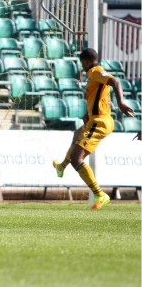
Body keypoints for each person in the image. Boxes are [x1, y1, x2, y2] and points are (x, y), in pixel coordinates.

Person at [52, 48, 134, 210]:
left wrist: (121, 102)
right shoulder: (93, 76)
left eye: (82, 63)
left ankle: (99, 194)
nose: (82, 67)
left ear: (86, 61)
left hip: (100, 121)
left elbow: (115, 81)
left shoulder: (96, 71)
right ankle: (62, 166)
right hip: (95, 119)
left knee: (77, 159)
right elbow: (100, 98)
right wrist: (87, 114)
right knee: (77, 134)